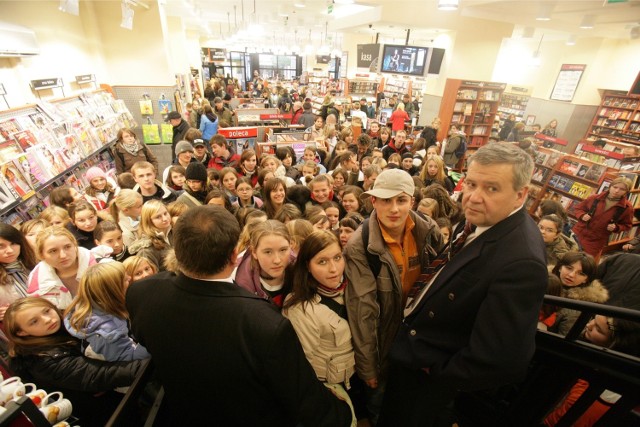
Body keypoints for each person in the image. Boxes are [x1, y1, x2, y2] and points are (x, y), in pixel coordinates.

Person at [126, 205, 352, 425]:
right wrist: (341, 412)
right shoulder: (264, 323)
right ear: (236, 255)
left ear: (177, 250)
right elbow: (302, 398)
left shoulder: (141, 294)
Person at [379, 142, 548, 427]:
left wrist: (435, 370)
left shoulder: (521, 262)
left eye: (491, 188)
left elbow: (504, 358)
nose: (473, 198)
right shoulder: (481, 219)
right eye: (471, 184)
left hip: (429, 381)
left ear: (520, 195)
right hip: (413, 351)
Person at [344, 168, 443, 424]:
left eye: (401, 200)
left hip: (420, 342)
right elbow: (362, 311)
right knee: (381, 406)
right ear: (373, 201)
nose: (394, 209)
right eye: (386, 200)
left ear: (412, 201)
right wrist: (368, 366)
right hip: (384, 344)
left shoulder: (428, 230)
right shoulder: (360, 246)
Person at [4, 297, 145, 426]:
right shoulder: (39, 360)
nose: (47, 319)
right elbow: (99, 374)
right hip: (104, 413)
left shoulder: (71, 324)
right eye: (34, 321)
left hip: (121, 396)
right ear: (21, 332)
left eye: (47, 311)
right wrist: (150, 365)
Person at [283, 230, 358, 426]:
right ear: (307, 266)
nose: (334, 268)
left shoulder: (354, 288)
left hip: (357, 377)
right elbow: (303, 363)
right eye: (322, 262)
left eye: (337, 258)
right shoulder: (301, 308)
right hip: (330, 387)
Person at [64, 262, 150, 362]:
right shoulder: (107, 333)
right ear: (114, 291)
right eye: (126, 280)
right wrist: (153, 336)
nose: (130, 278)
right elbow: (130, 357)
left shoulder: (99, 303)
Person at [27, 227, 97, 309]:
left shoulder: (100, 264)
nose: (63, 255)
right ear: (42, 255)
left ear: (75, 246)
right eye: (53, 251)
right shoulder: (36, 281)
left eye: (67, 247)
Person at [234, 220, 293, 309]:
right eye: (268, 252)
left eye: (283, 250)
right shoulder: (240, 285)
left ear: (291, 246)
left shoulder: (300, 269)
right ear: (254, 252)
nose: (277, 260)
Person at [572, 176, 634, 258]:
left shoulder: (627, 207)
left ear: (626, 192)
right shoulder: (594, 198)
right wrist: (582, 215)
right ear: (610, 186)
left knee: (583, 263)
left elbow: (627, 225)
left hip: (596, 241)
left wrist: (616, 227)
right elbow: (578, 208)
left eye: (622, 189)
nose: (617, 191)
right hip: (577, 233)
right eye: (615, 187)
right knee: (565, 257)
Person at [550, 251, 608, 336]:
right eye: (569, 268)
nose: (571, 275)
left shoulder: (577, 308)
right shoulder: (543, 280)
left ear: (586, 279)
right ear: (559, 267)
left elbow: (562, 340)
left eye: (581, 273)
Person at [0, 224, 37, 321]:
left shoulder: (36, 263)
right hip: (23, 330)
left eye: (13, 243)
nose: (10, 250)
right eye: (1, 246)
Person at [128, 200, 173, 271]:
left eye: (165, 213)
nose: (165, 218)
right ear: (148, 221)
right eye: (158, 217)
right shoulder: (145, 250)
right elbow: (150, 278)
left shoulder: (175, 232)